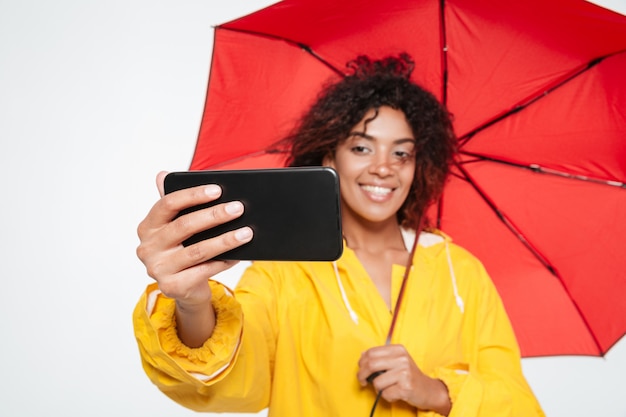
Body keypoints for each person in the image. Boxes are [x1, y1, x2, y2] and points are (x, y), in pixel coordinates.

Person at [133, 53, 545, 416]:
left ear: (421, 165)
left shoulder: (462, 273)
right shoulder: (288, 270)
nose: (384, 167)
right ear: (329, 156)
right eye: (362, 148)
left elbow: (518, 404)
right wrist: (191, 303)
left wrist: (437, 393)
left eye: (402, 152)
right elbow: (236, 381)